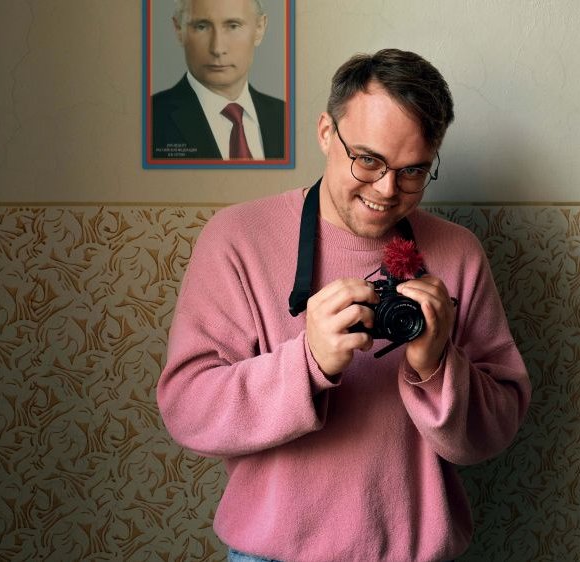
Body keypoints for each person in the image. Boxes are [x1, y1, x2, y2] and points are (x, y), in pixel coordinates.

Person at [158, 48, 531, 562]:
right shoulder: (236, 239)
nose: (387, 189)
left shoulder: (457, 252)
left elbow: (497, 428)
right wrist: (306, 362)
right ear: (326, 132)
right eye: (369, 159)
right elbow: (188, 411)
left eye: (413, 171)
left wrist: (437, 366)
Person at [151, 0, 285, 160]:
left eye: (233, 26)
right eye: (202, 26)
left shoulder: (287, 117)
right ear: (179, 30)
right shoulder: (147, 120)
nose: (217, 48)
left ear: (260, 28)